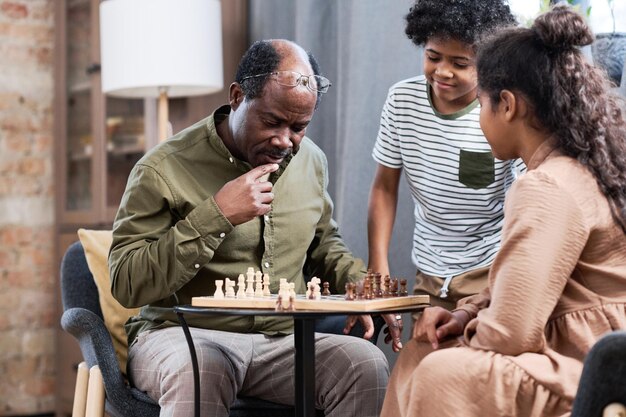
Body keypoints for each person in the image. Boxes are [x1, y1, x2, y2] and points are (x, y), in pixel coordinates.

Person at [108, 39, 390, 417]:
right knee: (202, 368)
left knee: (363, 364)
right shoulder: (162, 168)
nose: (284, 140)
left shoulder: (312, 162)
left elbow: (324, 246)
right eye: (272, 122)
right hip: (182, 336)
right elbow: (126, 282)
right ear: (238, 97)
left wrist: (363, 287)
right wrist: (217, 214)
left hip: (282, 340)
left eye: (299, 127)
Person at [381, 4, 626, 417]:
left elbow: (511, 331)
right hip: (582, 349)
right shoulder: (575, 167)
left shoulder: (546, 185)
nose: (479, 117)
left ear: (507, 105)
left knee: (442, 373)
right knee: (421, 352)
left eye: (482, 104)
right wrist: (466, 314)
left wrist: (475, 325)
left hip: (582, 363)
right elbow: (516, 290)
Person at [368, 0, 524, 351]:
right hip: (430, 270)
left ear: (486, 63)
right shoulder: (402, 100)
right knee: (421, 370)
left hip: (489, 268)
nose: (443, 71)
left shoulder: (501, 111)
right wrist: (378, 263)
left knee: (470, 376)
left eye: (460, 63)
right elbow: (384, 186)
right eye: (433, 56)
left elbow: (528, 196)